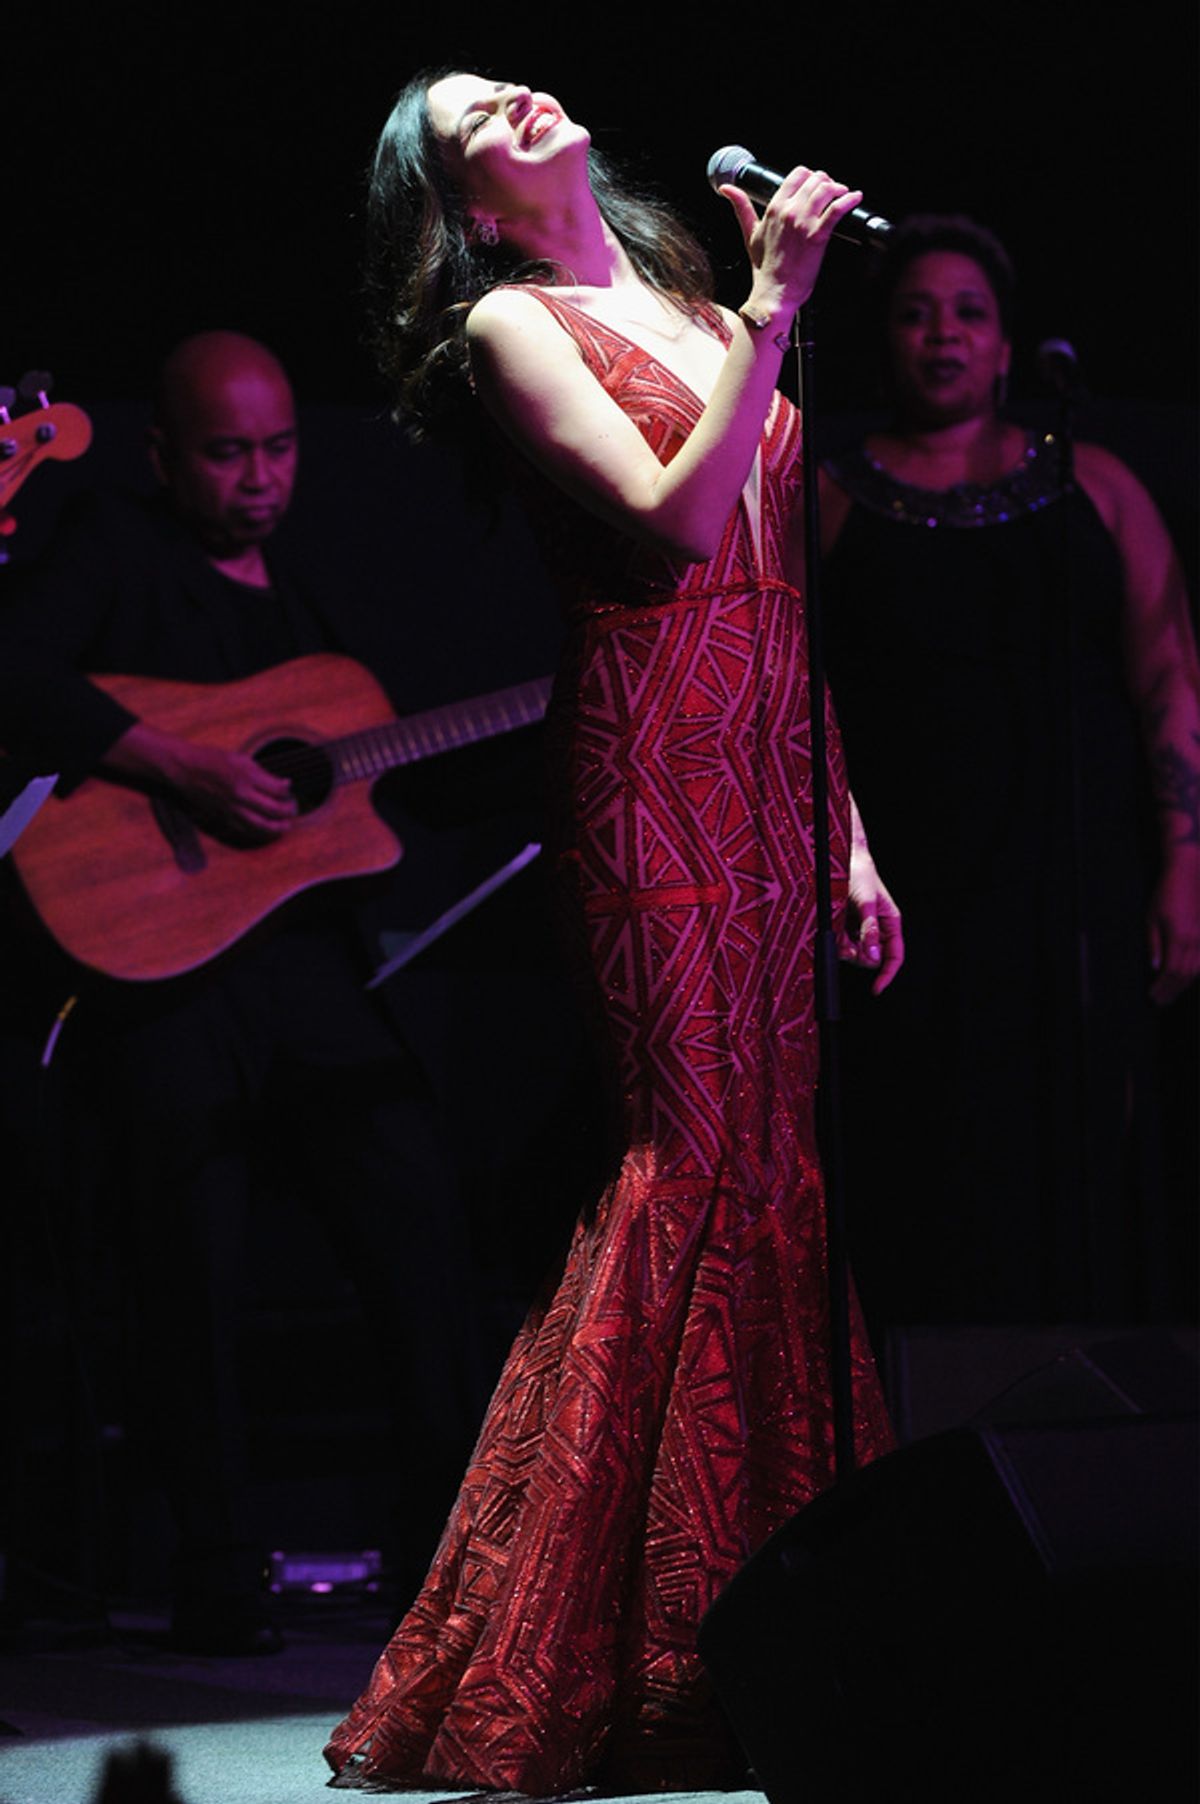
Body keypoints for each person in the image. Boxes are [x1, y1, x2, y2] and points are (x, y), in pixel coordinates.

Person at [323, 69, 902, 1794]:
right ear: (463, 205)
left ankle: (780, 1629)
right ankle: (585, 1643)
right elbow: (675, 521)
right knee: (686, 1161)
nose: (512, 92)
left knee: (776, 1174)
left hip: (771, 777)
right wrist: (776, 306)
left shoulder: (681, 292)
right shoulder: (510, 324)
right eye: (466, 118)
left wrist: (850, 832)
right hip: (648, 776)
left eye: (506, 75)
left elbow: (784, 582)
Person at [0, 331, 484, 1653]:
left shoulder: (312, 599)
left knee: (418, 1219)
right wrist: (178, 766)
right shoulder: (112, 544)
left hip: (304, 973)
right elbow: (14, 668)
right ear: (166, 454)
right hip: (156, 978)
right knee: (187, 1271)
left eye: (278, 450)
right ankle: (219, 1573)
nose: (260, 477)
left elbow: (384, 769)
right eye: (228, 452)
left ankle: (442, 1557)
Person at [818, 215, 1200, 1331]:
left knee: (1078, 1145)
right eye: (915, 312)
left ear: (1003, 344)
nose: (942, 334)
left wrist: (1185, 867)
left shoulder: (1098, 485)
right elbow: (801, 702)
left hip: (1071, 891)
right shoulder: (831, 496)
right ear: (887, 339)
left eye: (967, 314)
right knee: (930, 1161)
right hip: (907, 906)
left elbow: (1170, 680)